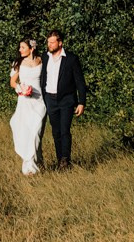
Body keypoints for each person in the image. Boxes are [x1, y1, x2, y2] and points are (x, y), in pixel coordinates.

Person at [40, 31, 87, 169]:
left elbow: (80, 81)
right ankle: (59, 159)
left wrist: (81, 102)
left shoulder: (71, 59)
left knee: (65, 130)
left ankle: (65, 161)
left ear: (60, 43)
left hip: (67, 99)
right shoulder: (45, 57)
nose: (49, 45)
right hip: (50, 99)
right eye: (48, 42)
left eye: (52, 42)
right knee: (56, 132)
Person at [8, 39, 46, 175]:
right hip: (24, 100)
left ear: (32, 48)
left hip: (39, 101)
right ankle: (30, 166)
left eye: (23, 47)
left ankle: (36, 162)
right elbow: (12, 82)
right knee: (26, 131)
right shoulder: (18, 63)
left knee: (36, 131)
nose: (20, 50)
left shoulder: (42, 61)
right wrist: (20, 88)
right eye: (20, 47)